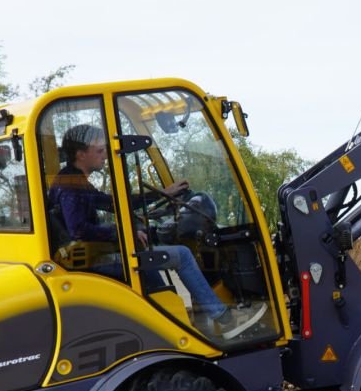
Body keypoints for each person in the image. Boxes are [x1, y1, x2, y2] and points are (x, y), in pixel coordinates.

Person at [49, 123, 265, 340]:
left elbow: (115, 203)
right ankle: (224, 319)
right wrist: (124, 233)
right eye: (100, 151)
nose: (106, 155)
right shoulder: (72, 186)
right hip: (94, 261)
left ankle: (176, 325)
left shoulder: (73, 180)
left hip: (90, 256)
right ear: (81, 154)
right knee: (182, 255)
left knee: (149, 265)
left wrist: (162, 193)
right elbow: (78, 230)